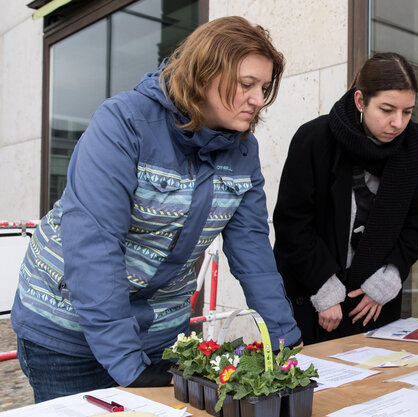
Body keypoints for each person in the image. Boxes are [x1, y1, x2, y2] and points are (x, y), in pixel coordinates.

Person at [12, 16, 301, 402]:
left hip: (160, 331)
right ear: (203, 73)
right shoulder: (125, 123)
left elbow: (252, 249)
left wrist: (285, 339)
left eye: (264, 87)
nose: (259, 99)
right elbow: (94, 245)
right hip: (68, 331)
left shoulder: (243, 151)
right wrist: (129, 365)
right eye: (247, 84)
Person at [273, 52, 418, 345]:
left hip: (374, 304)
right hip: (314, 297)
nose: (398, 123)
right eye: (387, 109)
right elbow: (292, 225)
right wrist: (324, 288)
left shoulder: (412, 145)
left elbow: (416, 219)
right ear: (360, 101)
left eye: (407, 112)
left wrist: (389, 278)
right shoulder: (314, 138)